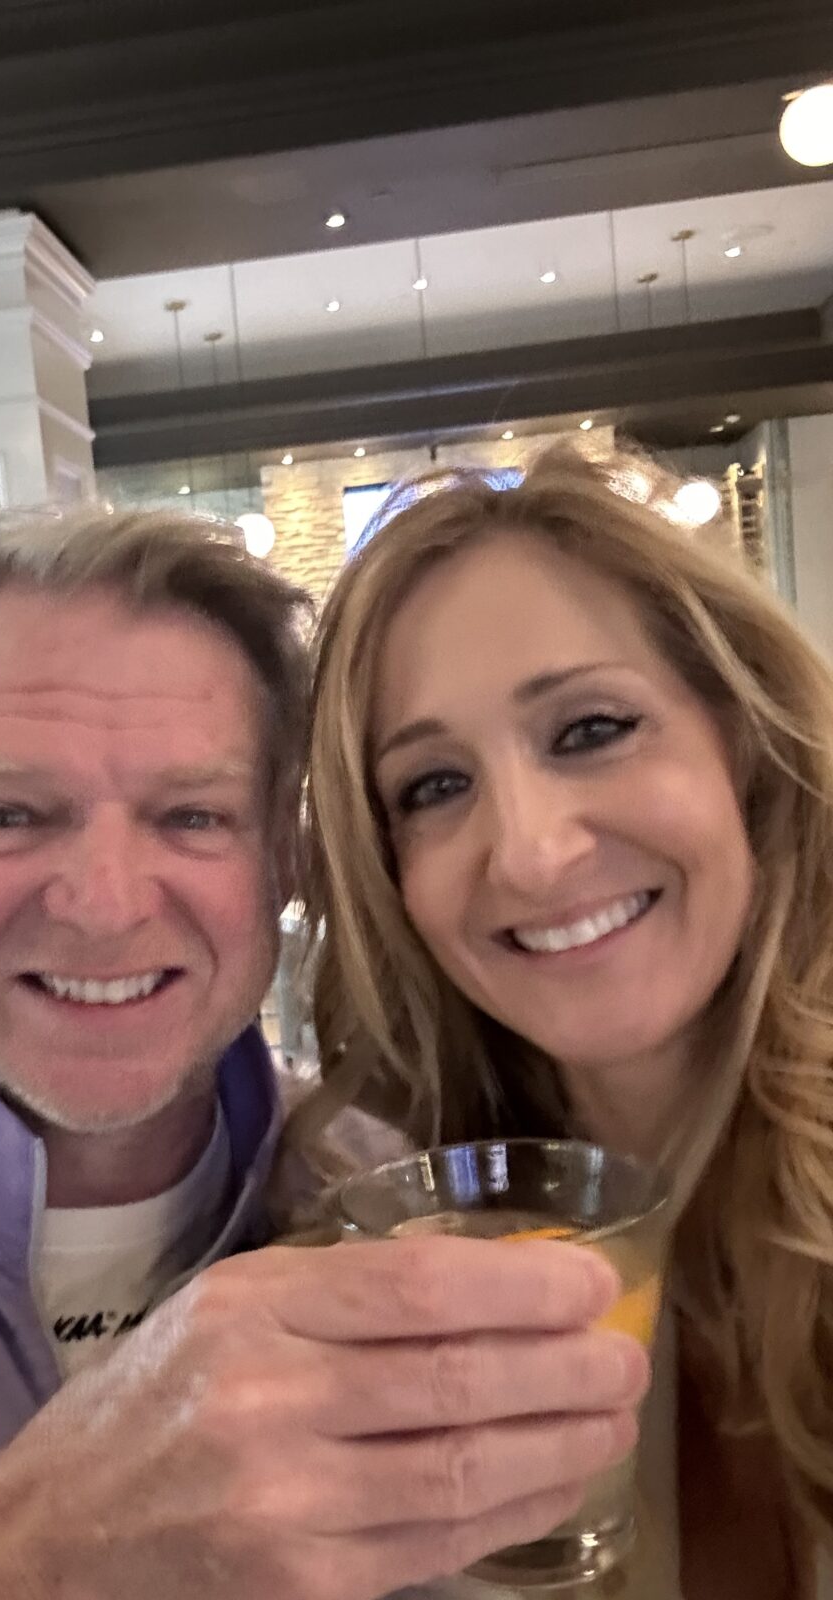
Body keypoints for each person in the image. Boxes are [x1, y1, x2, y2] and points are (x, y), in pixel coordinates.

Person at [0, 504, 646, 1600]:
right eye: (10, 814)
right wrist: (43, 1545)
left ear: (285, 859)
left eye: (194, 817)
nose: (106, 907)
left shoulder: (401, 1194)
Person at [294, 444, 833, 1599]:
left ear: (742, 735)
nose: (534, 854)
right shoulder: (393, 1239)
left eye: (592, 729)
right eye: (434, 787)